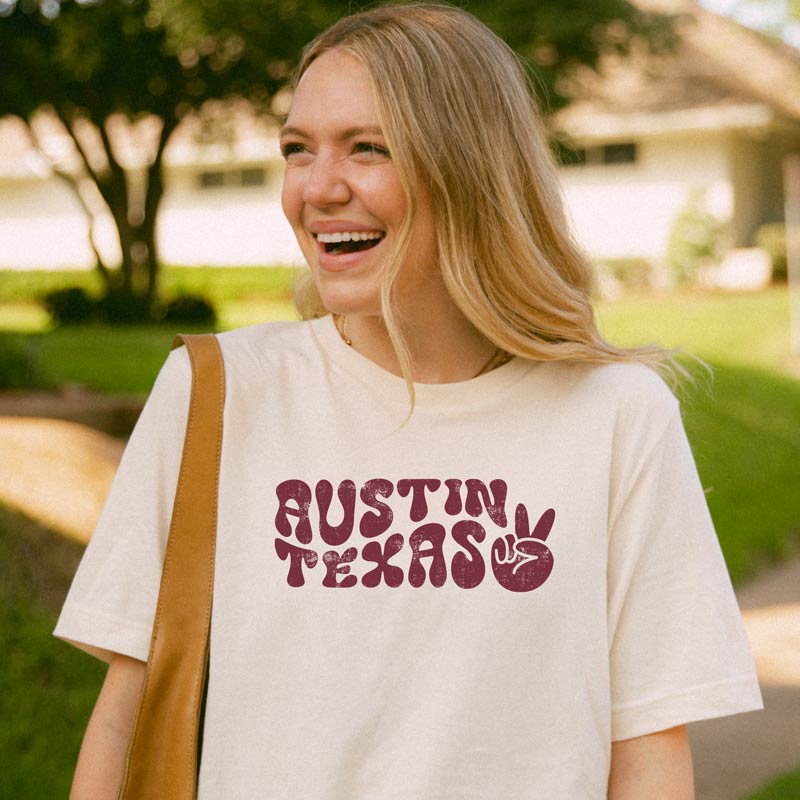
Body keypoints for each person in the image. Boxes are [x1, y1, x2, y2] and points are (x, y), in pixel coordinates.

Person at [55, 3, 762, 798]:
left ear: (469, 169)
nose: (318, 188)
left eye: (368, 148)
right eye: (298, 150)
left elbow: (650, 753)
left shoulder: (617, 417)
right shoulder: (218, 392)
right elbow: (125, 715)